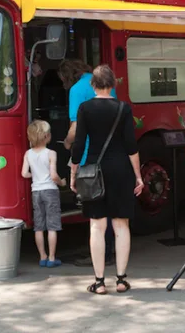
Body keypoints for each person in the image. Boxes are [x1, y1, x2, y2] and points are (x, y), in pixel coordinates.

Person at [71, 65, 144, 295]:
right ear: (112, 84)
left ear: (93, 84)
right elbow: (131, 145)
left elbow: (79, 144)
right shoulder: (123, 108)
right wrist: (138, 176)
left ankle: (100, 282)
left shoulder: (85, 108)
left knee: (97, 225)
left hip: (95, 172)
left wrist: (73, 173)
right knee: (121, 225)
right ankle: (121, 280)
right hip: (121, 170)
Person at [60, 59, 117, 266]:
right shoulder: (108, 87)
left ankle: (101, 255)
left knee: (95, 211)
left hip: (89, 157)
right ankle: (111, 250)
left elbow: (75, 128)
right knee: (110, 208)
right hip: (112, 156)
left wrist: (67, 142)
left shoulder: (76, 90)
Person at [21, 120, 67, 268]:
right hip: (50, 191)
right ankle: (52, 258)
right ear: (46, 136)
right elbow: (53, 175)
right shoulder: (51, 153)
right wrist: (62, 183)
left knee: (39, 226)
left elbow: (24, 173)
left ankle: (42, 256)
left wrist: (35, 175)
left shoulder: (28, 154)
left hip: (36, 191)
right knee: (52, 226)